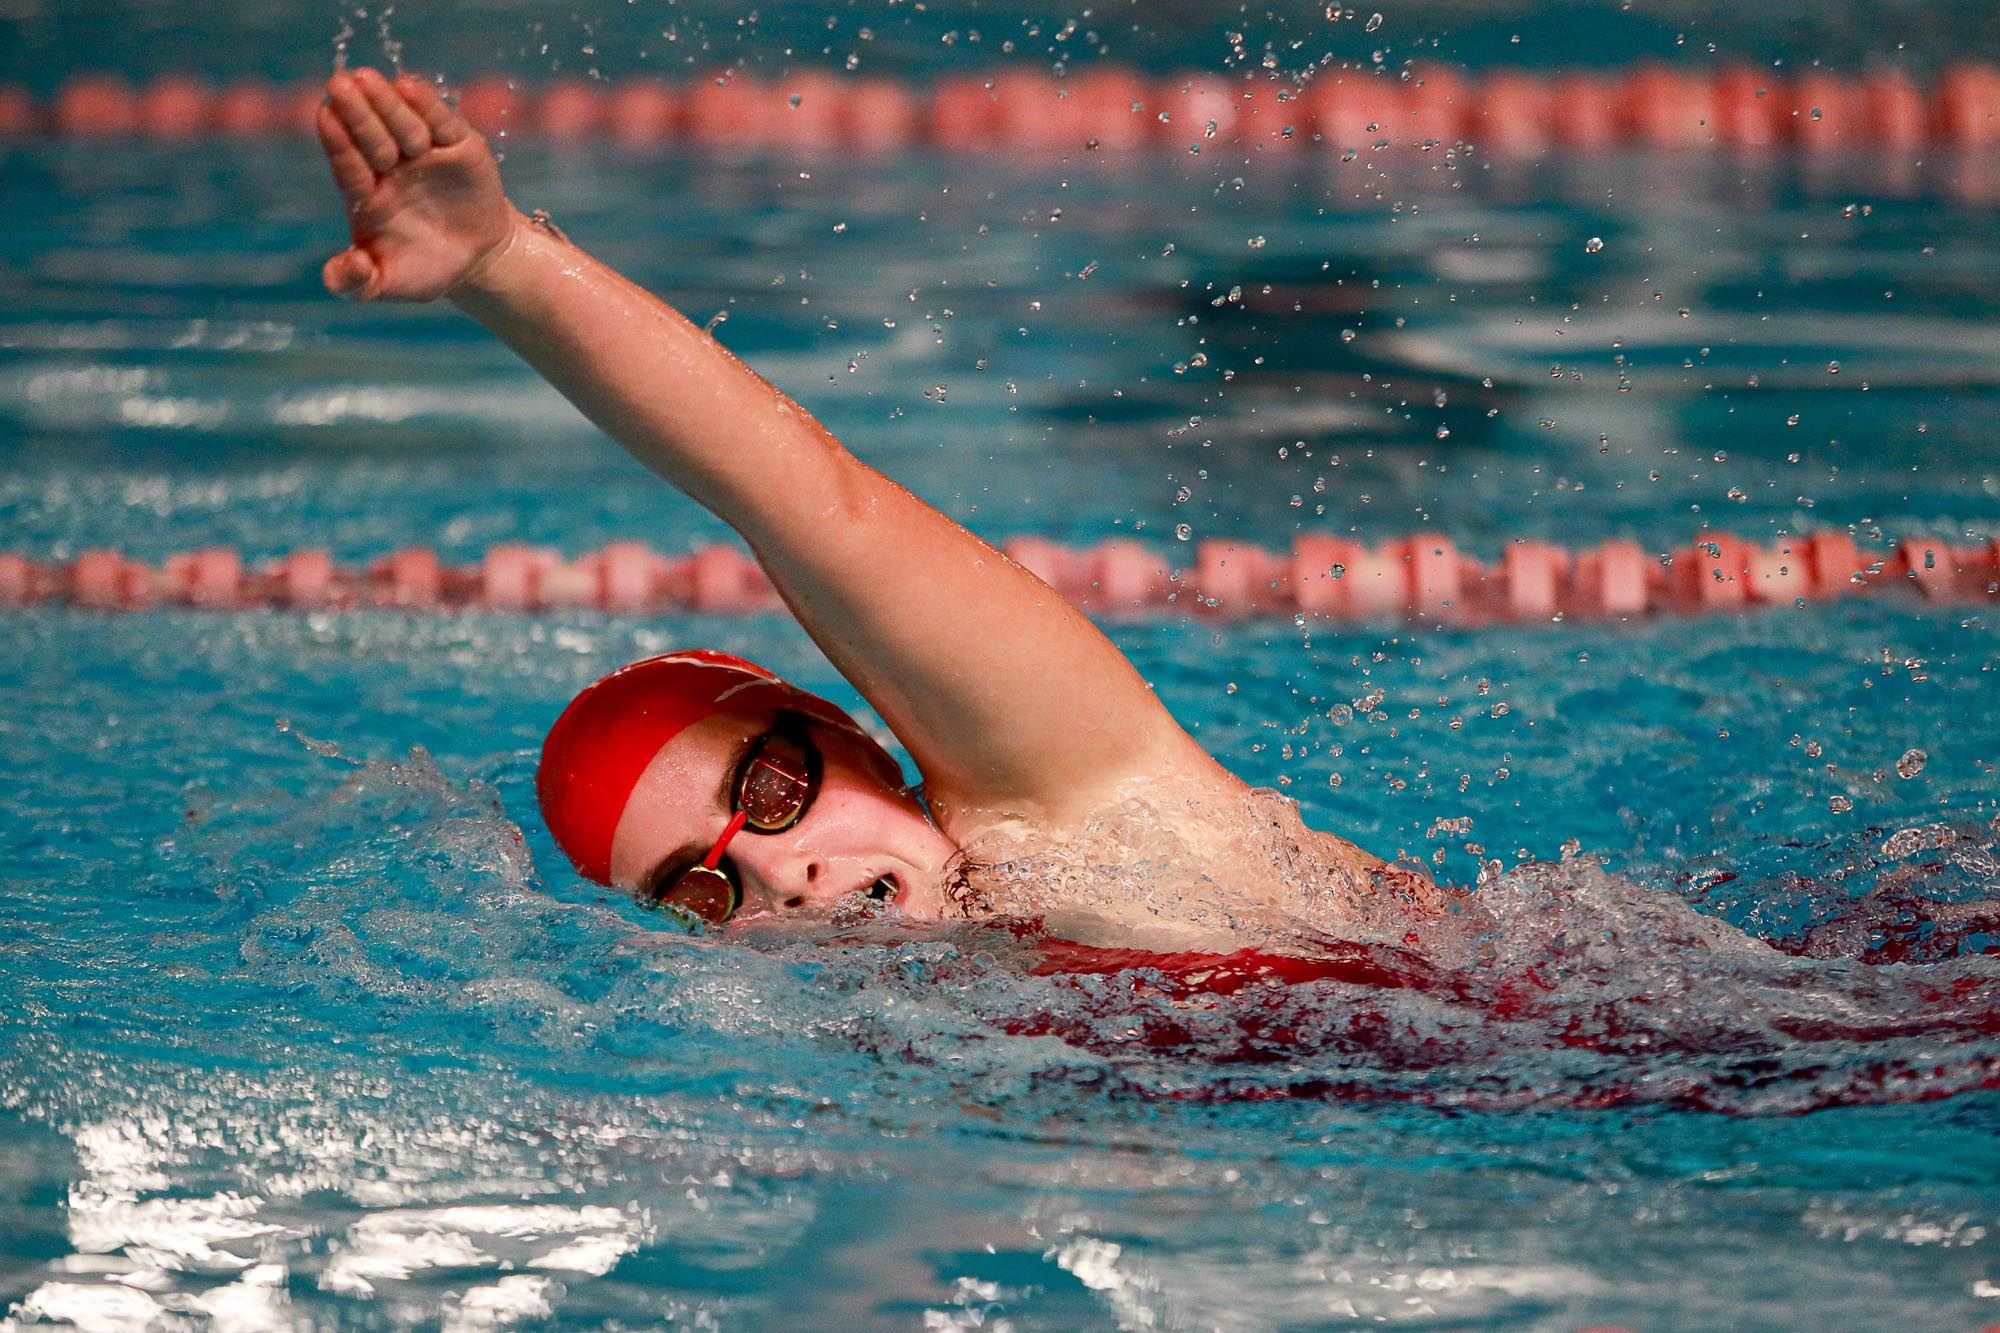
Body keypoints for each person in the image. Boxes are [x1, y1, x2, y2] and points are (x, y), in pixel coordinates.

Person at [314, 67, 1465, 950]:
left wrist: (500, 264)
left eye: (767, 793)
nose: (784, 878)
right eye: (703, 891)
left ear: (857, 737)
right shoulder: (924, 1028)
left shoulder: (1064, 797)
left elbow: (806, 502)